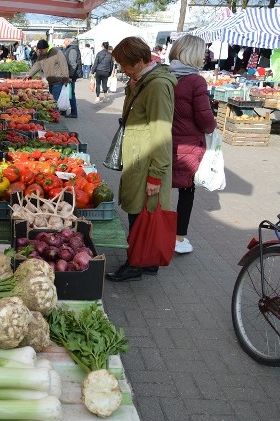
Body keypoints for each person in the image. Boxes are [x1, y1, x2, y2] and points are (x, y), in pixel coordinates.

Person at [105, 36, 176, 282]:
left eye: (126, 65)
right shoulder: (142, 81)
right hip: (138, 156)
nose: (122, 70)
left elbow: (161, 132)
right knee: (141, 211)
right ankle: (148, 260)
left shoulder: (156, 86)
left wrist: (156, 173)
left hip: (148, 161)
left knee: (142, 213)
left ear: (140, 61)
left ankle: (135, 263)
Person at [168, 35, 217, 254]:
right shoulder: (196, 81)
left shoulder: (165, 76)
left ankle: (156, 231)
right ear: (194, 54)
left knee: (160, 188)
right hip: (187, 145)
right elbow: (205, 121)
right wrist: (213, 126)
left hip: (163, 142)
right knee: (186, 190)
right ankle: (178, 239)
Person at [24, 39, 69, 106]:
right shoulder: (41, 55)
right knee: (51, 101)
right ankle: (56, 112)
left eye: (41, 50)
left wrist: (66, 79)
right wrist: (29, 74)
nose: (39, 51)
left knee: (53, 101)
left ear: (46, 48)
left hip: (58, 81)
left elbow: (64, 65)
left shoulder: (57, 52)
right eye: (39, 49)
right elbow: (37, 65)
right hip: (50, 81)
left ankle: (56, 113)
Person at [63, 37, 83, 118]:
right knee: (68, 93)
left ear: (68, 40)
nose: (64, 42)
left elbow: (73, 64)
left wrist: (70, 76)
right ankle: (65, 110)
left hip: (71, 76)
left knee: (70, 94)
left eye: (64, 41)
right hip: (70, 75)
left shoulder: (72, 50)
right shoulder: (71, 48)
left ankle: (74, 112)